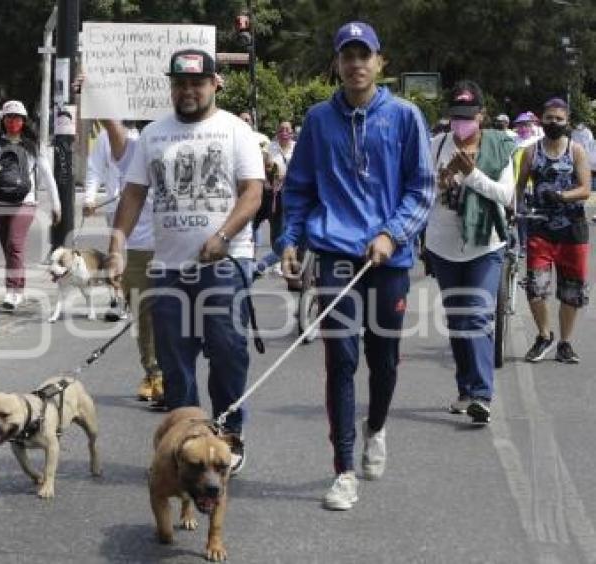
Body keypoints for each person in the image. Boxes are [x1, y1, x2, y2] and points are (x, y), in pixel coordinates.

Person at [277, 22, 434, 510]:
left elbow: (421, 187)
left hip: (390, 258)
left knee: (382, 360)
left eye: (364, 55)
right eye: (347, 55)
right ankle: (343, 469)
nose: (356, 64)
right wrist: (290, 240)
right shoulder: (319, 120)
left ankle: (378, 426)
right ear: (338, 63)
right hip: (335, 257)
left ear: (379, 63)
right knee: (340, 361)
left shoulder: (406, 117)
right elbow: (299, 187)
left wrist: (391, 233)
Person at [108, 49, 264, 474]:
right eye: (180, 83)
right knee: (174, 361)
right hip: (169, 268)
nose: (188, 90)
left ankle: (229, 434)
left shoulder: (236, 131)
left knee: (228, 352)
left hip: (225, 264)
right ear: (171, 87)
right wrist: (118, 244)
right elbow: (134, 195)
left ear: (215, 84)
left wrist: (223, 235)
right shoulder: (154, 135)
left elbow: (253, 192)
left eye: (197, 82)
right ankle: (185, 440)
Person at [425, 81, 516, 425]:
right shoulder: (435, 146)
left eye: (468, 117)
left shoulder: (500, 148)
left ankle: (481, 395)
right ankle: (465, 391)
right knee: (458, 320)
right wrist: (442, 180)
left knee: (477, 315)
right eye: (455, 117)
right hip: (443, 245)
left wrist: (471, 174)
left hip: (485, 244)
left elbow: (506, 196)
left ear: (482, 115)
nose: (461, 124)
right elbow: (421, 194)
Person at [0, 100, 61, 310]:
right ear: (3, 120)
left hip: (25, 202)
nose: (12, 121)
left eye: (17, 118)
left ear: (24, 121)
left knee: (15, 246)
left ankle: (12, 292)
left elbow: (48, 176)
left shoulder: (32, 146)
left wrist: (56, 204)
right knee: (9, 250)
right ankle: (19, 287)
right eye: (9, 117)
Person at [94, 120, 164, 403]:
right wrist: (98, 96)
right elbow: (115, 132)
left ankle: (174, 374)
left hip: (181, 248)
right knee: (144, 316)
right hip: (140, 247)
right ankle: (155, 373)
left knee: (177, 317)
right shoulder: (137, 148)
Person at [518, 98, 591, 363]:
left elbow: (585, 188)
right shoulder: (531, 151)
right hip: (540, 228)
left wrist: (561, 196)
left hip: (573, 231)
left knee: (572, 290)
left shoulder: (576, 151)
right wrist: (516, 211)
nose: (553, 123)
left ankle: (565, 343)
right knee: (536, 289)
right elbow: (519, 187)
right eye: (549, 118)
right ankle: (543, 335)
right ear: (541, 119)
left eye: (559, 119)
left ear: (567, 122)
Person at [255, 121, 295, 276]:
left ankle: (267, 263)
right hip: (272, 196)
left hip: (291, 195)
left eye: (287, 129)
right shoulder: (269, 147)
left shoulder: (297, 147)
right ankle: (267, 262)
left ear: (292, 132)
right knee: (277, 230)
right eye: (281, 129)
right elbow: (262, 165)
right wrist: (268, 174)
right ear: (277, 132)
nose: (284, 132)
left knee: (287, 231)